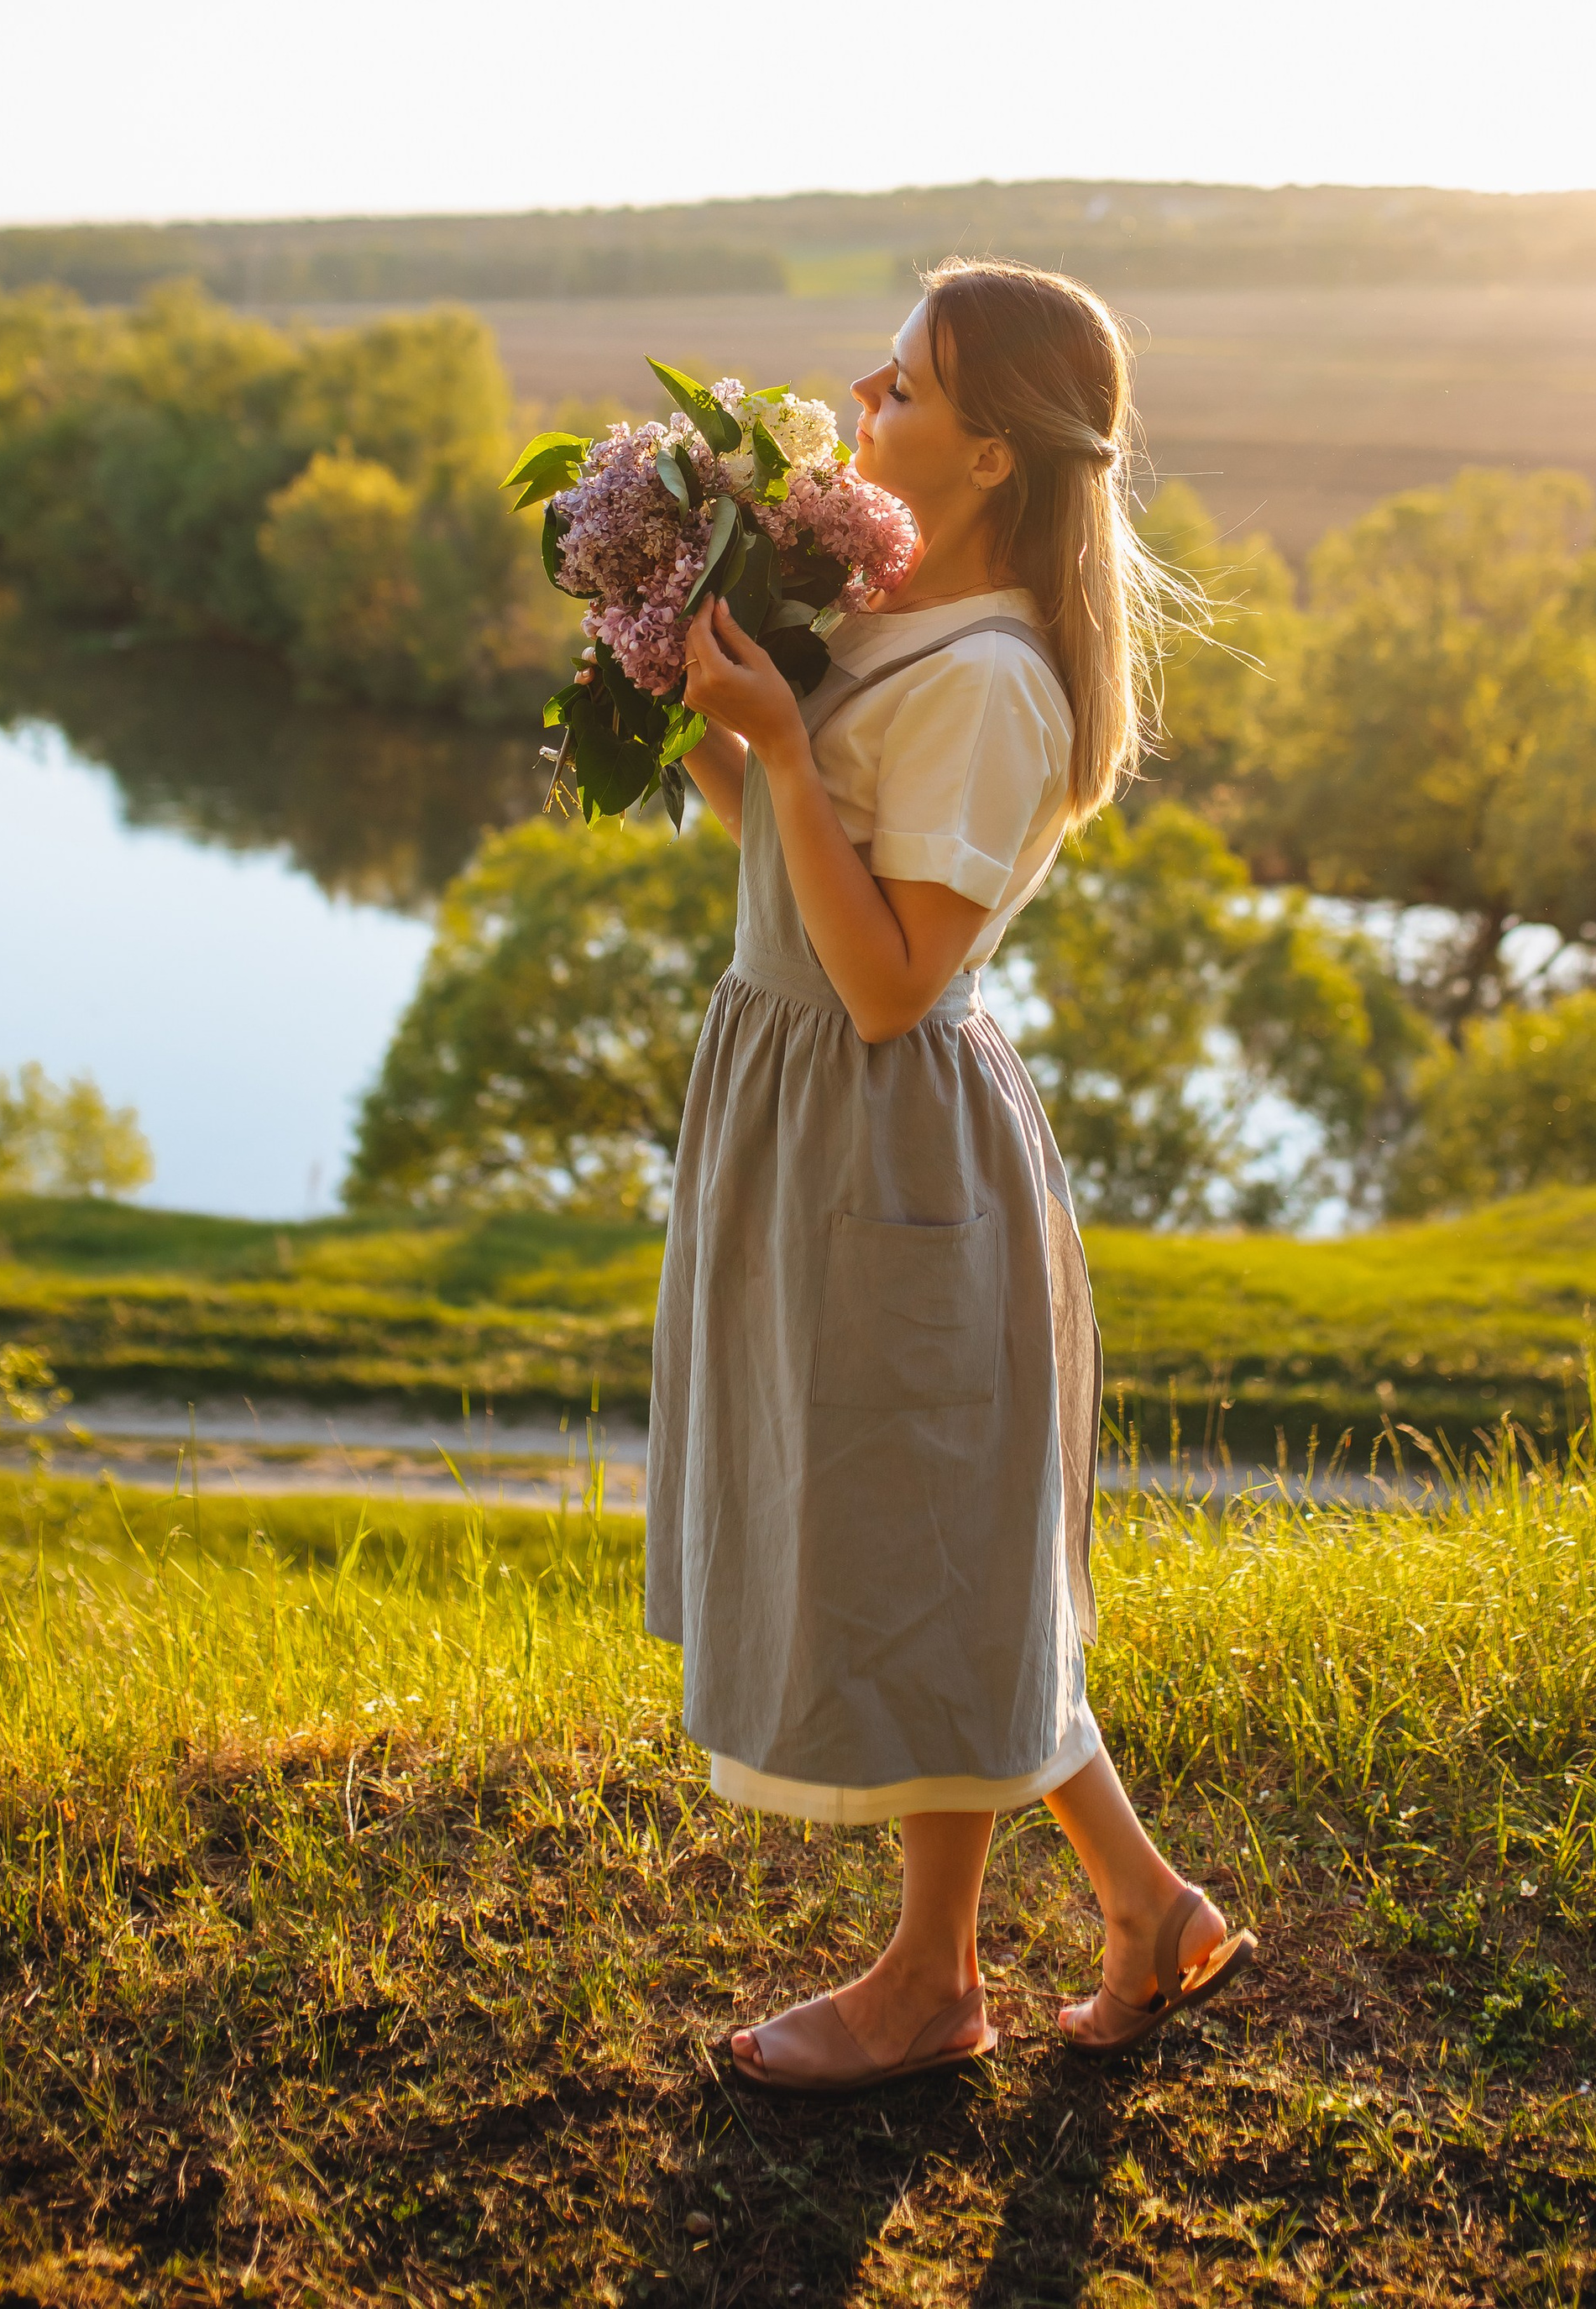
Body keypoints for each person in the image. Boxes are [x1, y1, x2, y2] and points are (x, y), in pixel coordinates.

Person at [645, 256, 1254, 2092]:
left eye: (897, 387)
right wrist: (689, 679)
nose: (857, 397)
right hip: (796, 1104)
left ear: (988, 453)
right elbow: (771, 843)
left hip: (885, 1124)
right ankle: (1146, 1908)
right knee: (928, 1535)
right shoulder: (891, 621)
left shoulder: (993, 681)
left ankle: (932, 1986)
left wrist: (773, 740)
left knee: (930, 1547)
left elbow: (896, 979)